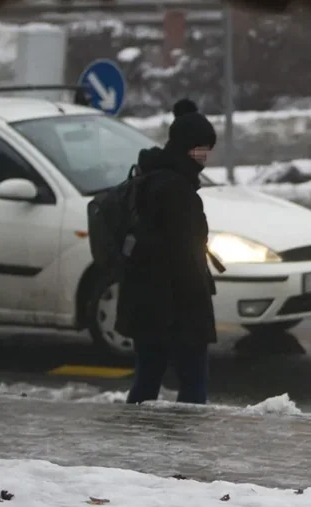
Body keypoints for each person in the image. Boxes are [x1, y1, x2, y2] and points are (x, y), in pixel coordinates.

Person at [116, 99, 218, 405]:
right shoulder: (176, 190)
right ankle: (185, 445)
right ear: (187, 148)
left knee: (148, 376)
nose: (205, 157)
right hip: (175, 305)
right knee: (193, 382)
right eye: (202, 149)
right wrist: (196, 302)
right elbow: (182, 252)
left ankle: (137, 436)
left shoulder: (153, 177)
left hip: (147, 300)